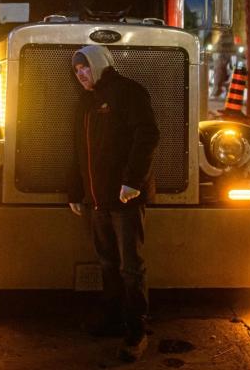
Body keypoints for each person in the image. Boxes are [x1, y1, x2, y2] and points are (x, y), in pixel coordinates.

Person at [67, 44, 160, 363]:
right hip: (96, 201)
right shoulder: (85, 102)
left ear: (100, 64)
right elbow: (79, 149)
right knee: (107, 263)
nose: (81, 74)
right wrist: (74, 191)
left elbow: (148, 135)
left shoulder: (129, 92)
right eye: (77, 70)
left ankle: (136, 332)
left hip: (125, 198)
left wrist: (133, 182)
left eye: (85, 68)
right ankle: (111, 319)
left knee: (131, 267)